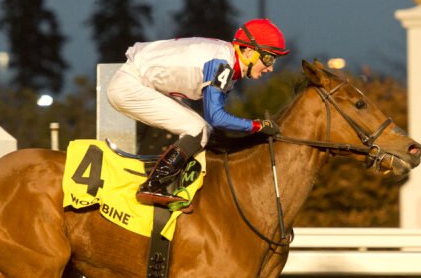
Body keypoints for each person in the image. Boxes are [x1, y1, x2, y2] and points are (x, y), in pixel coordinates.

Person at [107, 18, 289, 206]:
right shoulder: (222, 63)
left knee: (203, 130)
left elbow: (216, 124)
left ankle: (166, 181)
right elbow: (216, 117)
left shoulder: (229, 65)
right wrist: (257, 126)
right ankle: (153, 185)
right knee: (198, 129)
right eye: (268, 58)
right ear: (249, 51)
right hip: (130, 85)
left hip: (139, 83)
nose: (271, 67)